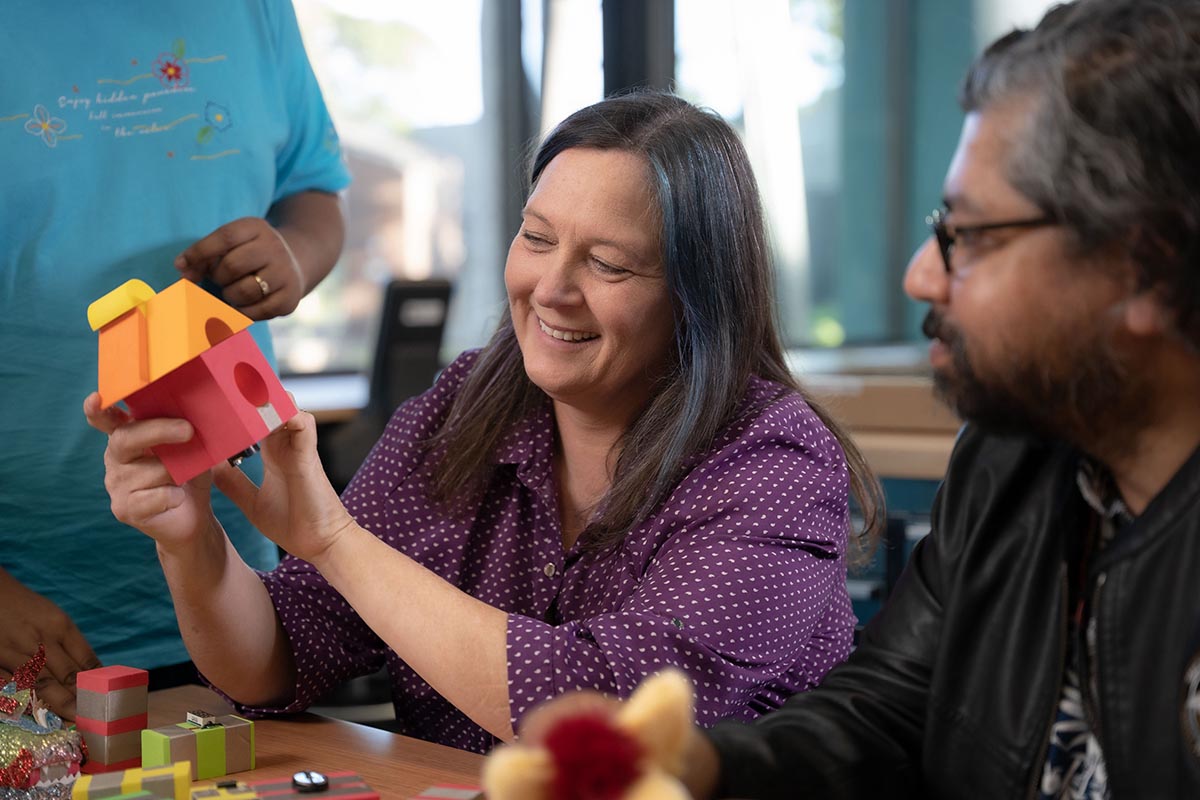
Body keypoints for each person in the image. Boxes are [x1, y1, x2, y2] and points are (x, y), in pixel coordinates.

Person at [85, 92, 884, 754]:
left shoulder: (772, 461)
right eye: (536, 239)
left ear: (698, 296)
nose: (551, 289)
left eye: (608, 264)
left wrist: (335, 541)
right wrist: (190, 540)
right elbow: (281, 656)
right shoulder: (466, 406)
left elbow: (612, 716)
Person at [540, 1, 1200, 797]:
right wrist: (699, 768)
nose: (921, 275)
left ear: (1146, 267)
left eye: (974, 237)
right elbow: (885, 716)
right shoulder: (1016, 461)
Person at [0, 1, 349, 720]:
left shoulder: (256, 11)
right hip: (32, 616)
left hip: (239, 583)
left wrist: (293, 256)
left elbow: (314, 193)